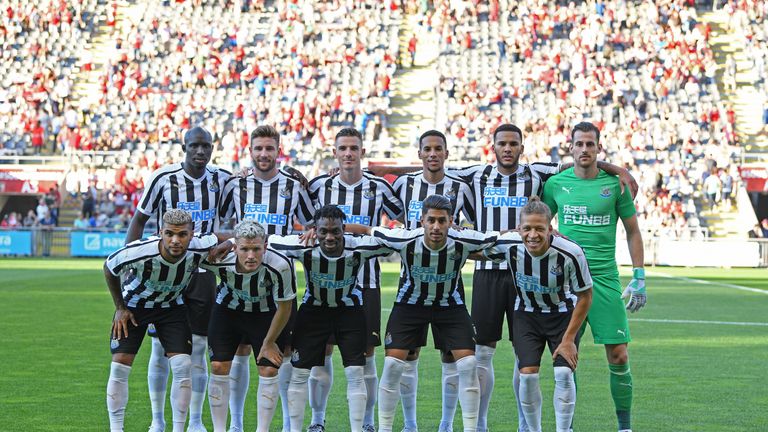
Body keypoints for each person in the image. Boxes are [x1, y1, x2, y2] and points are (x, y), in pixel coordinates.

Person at [368, 123, 635, 432]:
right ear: (492, 147)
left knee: (525, 357)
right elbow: (434, 168)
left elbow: (581, 158)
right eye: (502, 143)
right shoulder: (475, 176)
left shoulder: (537, 174)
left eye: (513, 143)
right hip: (488, 274)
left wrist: (618, 170)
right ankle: (479, 424)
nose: (508, 148)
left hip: (527, 277)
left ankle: (526, 425)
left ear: (521, 147)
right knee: (482, 352)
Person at [349, 194, 499, 432]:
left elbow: (502, 239)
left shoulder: (463, 239)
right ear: (422, 221)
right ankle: (386, 428)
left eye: (442, 220)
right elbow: (369, 229)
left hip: (450, 306)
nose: (436, 227)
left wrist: (536, 232)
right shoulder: (406, 238)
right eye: (431, 220)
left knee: (469, 363)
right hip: (410, 306)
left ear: (451, 221)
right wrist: (327, 228)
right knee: (392, 365)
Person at [542, 122, 647, 432]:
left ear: (598, 148)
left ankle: (624, 427)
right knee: (565, 355)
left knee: (618, 354)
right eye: (579, 144)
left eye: (590, 144)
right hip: (566, 282)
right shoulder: (555, 184)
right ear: (570, 147)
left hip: (604, 279)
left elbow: (633, 231)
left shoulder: (616, 186)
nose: (584, 149)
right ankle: (566, 427)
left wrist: (639, 276)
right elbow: (540, 225)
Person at [126, 126, 231, 432]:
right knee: (160, 348)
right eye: (195, 145)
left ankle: (195, 421)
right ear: (184, 146)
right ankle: (158, 421)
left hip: (201, 273)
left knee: (198, 348)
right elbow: (139, 219)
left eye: (206, 146)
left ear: (212, 149)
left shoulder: (220, 178)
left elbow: (251, 182)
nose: (201, 151)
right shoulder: (163, 178)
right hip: (165, 274)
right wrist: (134, 262)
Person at [305, 128, 403, 432]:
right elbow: (304, 217)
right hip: (323, 282)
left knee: (366, 354)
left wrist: (368, 231)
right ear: (334, 152)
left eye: (353, 148)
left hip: (366, 281)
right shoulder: (320, 186)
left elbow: (403, 217)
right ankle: (317, 421)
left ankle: (367, 422)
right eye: (343, 148)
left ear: (362, 151)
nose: (348, 153)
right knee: (322, 352)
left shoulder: (378, 187)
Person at [219, 125, 314, 432]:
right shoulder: (236, 185)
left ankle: (287, 424)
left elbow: (311, 224)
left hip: (278, 282)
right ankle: (235, 424)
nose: (263, 154)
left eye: (269, 148)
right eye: (258, 148)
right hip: (239, 283)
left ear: (278, 150)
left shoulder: (293, 185)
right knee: (239, 352)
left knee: (280, 355)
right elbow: (222, 224)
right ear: (250, 151)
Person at [269, 205, 396, 432]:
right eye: (323, 231)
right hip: (314, 312)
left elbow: (391, 240)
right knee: (299, 373)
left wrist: (366, 229)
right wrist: (229, 243)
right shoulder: (303, 246)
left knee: (356, 373)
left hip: (350, 313)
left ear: (344, 230)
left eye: (335, 231)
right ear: (314, 231)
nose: (329, 237)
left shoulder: (359, 247)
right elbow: (267, 241)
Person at [480, 197, 593, 432]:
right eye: (527, 228)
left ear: (550, 229)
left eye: (539, 228)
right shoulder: (509, 245)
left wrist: (569, 340)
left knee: (563, 372)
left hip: (561, 315)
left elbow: (585, 296)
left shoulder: (571, 252)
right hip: (527, 315)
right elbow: (473, 248)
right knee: (528, 376)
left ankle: (564, 430)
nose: (533, 235)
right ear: (518, 229)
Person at [104, 209, 220, 432]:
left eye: (182, 235)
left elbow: (225, 237)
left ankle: (177, 429)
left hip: (171, 306)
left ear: (192, 234)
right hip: (135, 306)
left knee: (182, 365)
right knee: (120, 365)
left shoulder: (200, 245)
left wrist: (224, 246)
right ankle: (116, 429)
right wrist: (120, 308)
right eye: (169, 234)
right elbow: (109, 268)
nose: (175, 240)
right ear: (161, 232)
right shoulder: (139, 252)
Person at [391, 130, 475, 432]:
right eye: (427, 149)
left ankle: (446, 424)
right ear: (419, 153)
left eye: (438, 149)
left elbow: (472, 226)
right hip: (410, 281)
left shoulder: (461, 187)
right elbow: (384, 217)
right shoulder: (403, 184)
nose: (432, 154)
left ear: (447, 153)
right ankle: (410, 424)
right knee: (407, 353)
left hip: (448, 282)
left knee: (451, 354)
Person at [199, 220, 296, 432]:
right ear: (235, 247)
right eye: (244, 249)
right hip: (228, 311)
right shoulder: (218, 259)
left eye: (256, 249)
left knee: (269, 369)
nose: (250, 255)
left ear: (265, 247)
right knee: (218, 367)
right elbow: (189, 249)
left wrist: (269, 342)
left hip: (266, 314)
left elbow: (285, 307)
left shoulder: (280, 264)